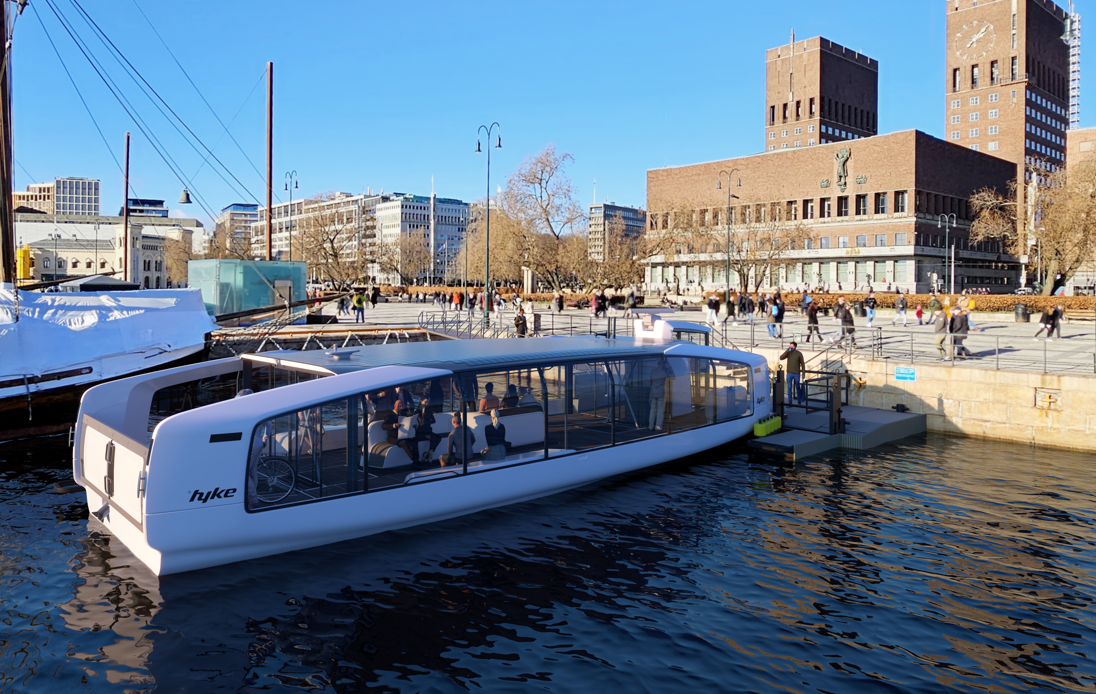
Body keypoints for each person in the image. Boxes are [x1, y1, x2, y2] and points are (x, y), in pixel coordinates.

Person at [412, 396, 441, 464]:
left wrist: (426, 422)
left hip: (427, 431)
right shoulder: (417, 411)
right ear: (421, 402)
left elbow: (433, 420)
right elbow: (413, 421)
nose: (426, 404)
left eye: (427, 402)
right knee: (434, 437)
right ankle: (430, 456)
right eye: (425, 402)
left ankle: (428, 453)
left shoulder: (429, 411)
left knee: (438, 438)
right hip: (420, 432)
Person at [648, 357, 670, 431]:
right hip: (661, 394)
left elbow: (650, 382)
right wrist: (669, 367)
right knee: (660, 411)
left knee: (652, 410)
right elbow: (673, 377)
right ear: (663, 364)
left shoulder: (652, 371)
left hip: (653, 393)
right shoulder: (664, 372)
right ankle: (658, 426)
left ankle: (650, 426)